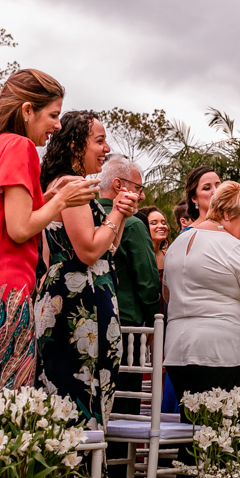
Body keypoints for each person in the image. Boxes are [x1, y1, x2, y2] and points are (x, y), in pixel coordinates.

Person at [0, 69, 98, 395]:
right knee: (6, 405)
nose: (57, 125)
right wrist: (61, 200)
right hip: (4, 294)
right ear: (27, 110)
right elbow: (19, 229)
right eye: (53, 115)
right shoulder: (19, 146)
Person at [34, 111, 138, 426]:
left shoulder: (66, 184)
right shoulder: (72, 185)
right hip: (78, 302)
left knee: (79, 388)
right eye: (99, 140)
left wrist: (118, 216)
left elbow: (108, 247)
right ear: (77, 145)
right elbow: (89, 250)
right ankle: (77, 469)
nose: (106, 149)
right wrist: (118, 214)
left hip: (77, 292)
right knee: (79, 391)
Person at [163, 181, 240, 402]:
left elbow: (168, 294)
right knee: (221, 425)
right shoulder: (234, 247)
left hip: (177, 350)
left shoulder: (177, 243)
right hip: (220, 350)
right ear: (225, 214)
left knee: (191, 424)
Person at [100, 158, 160, 417]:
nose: (142, 195)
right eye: (138, 188)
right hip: (127, 328)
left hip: (91, 321)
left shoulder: (82, 213)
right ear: (118, 186)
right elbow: (147, 282)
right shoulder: (133, 224)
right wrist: (151, 324)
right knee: (123, 407)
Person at [135, 206, 169, 275]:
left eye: (163, 223)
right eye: (153, 223)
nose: (161, 226)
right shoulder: (136, 258)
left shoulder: (169, 256)